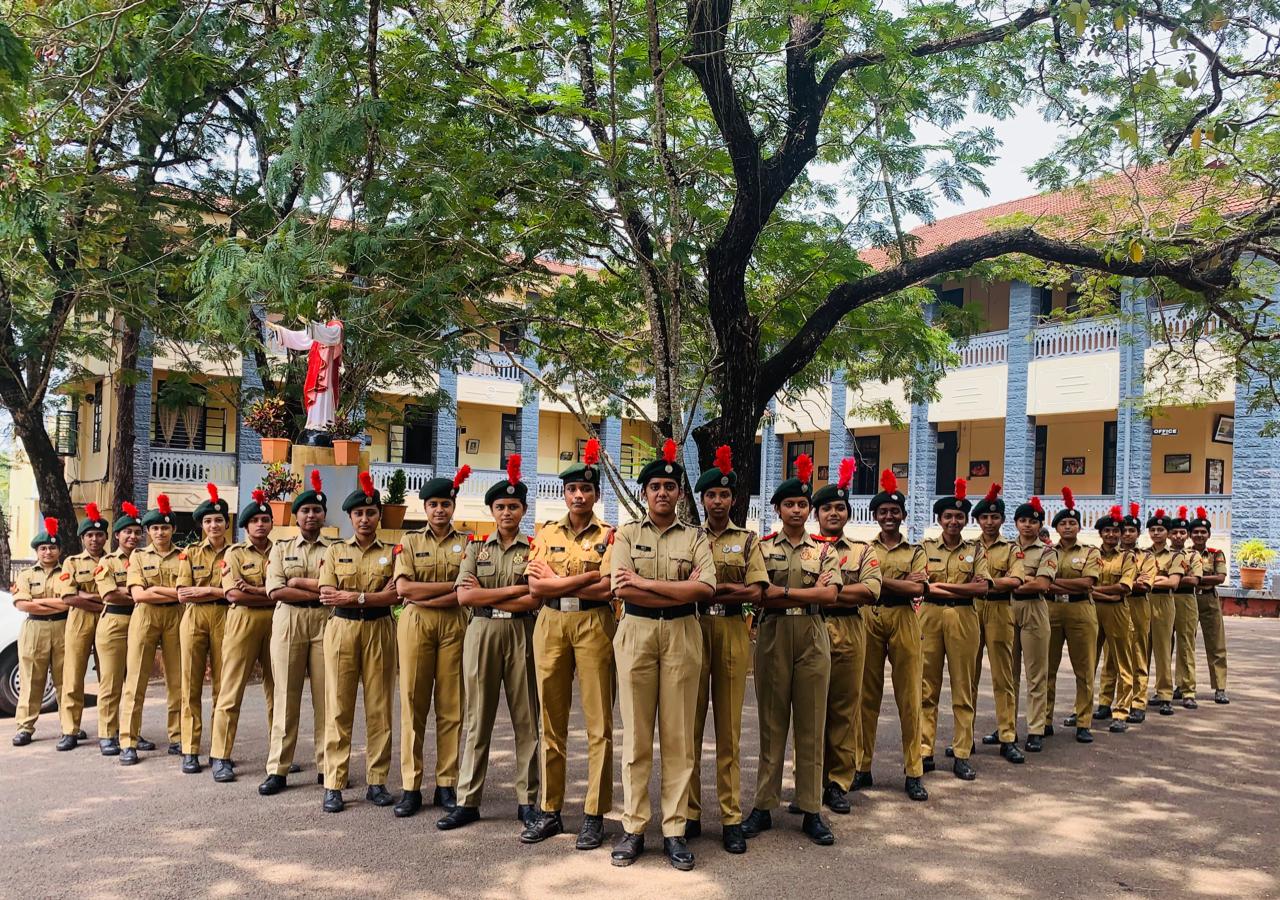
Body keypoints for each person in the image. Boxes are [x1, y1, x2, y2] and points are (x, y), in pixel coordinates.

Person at [609, 439, 714, 871]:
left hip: (682, 635)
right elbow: (622, 589)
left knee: (678, 738)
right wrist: (674, 588)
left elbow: (705, 589)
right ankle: (634, 828)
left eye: (670, 486)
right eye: (655, 486)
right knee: (635, 738)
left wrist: (645, 582)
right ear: (644, 492)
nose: (663, 493)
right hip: (636, 633)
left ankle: (674, 830)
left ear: (679, 493)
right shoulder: (627, 534)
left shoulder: (695, 537)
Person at [522, 439, 618, 850]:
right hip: (551, 623)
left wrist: (558, 581)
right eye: (573, 489)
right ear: (564, 494)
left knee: (599, 723)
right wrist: (583, 579)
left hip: (594, 622)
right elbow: (535, 587)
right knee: (551, 721)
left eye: (586, 489)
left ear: (596, 494)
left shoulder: (611, 536)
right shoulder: (546, 533)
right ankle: (550, 810)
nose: (579, 495)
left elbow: (608, 587)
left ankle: (595, 814)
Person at [437, 456, 541, 833]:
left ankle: (528, 801)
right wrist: (512, 591)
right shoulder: (475, 548)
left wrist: (489, 593)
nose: (507, 512)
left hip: (521, 632)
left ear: (523, 510)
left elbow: (535, 597)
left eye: (513, 506)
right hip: (480, 632)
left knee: (526, 720)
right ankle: (468, 801)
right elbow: (465, 597)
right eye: (500, 506)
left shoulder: (534, 549)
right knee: (477, 719)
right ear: (492, 511)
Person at [742, 453, 840, 846]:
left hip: (813, 634)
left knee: (812, 724)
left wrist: (782, 591)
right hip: (773, 635)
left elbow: (830, 595)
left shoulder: (824, 549)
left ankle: (811, 808)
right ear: (778, 510)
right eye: (789, 504)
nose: (796, 510)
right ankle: (764, 805)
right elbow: (759, 596)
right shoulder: (762, 548)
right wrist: (796, 593)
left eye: (802, 504)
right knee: (772, 723)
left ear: (809, 510)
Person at [392, 465, 473, 817]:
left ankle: (446, 783)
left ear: (453, 506)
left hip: (455, 624)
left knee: (451, 704)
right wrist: (449, 590)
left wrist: (428, 593)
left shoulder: (467, 543)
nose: (440, 510)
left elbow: (468, 589)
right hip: (416, 624)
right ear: (424, 507)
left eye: (445, 504)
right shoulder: (409, 541)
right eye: (433, 504)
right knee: (413, 702)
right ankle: (411, 786)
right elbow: (403, 588)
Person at [319, 472, 399, 813]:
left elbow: (395, 595)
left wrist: (354, 596)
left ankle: (377, 781)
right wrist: (371, 596)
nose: (365, 519)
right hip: (342, 630)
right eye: (358, 514)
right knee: (339, 707)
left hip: (380, 629)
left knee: (379, 707)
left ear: (379, 515)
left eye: (370, 513)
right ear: (350, 518)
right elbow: (327, 594)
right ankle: (334, 783)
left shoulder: (393, 553)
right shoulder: (335, 551)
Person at [809, 458, 881, 814]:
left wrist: (829, 591)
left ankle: (838, 782)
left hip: (850, 630)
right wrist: (834, 593)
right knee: (809, 709)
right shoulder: (806, 549)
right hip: (811, 627)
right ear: (817, 514)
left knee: (844, 707)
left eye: (840, 508)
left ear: (848, 513)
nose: (833, 513)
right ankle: (810, 783)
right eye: (827, 508)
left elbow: (870, 590)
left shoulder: (862, 550)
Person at [855, 469, 928, 801]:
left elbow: (917, 589)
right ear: (875, 515)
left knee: (909, 697)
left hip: (903, 617)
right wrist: (899, 582)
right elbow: (862, 583)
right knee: (865, 696)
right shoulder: (864, 549)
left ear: (903, 516)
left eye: (894, 511)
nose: (889, 516)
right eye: (883, 511)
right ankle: (862, 766)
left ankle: (914, 771)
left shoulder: (915, 550)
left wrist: (877, 581)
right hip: (869, 617)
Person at [260, 470, 332, 795]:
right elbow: (275, 590)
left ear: (324, 515)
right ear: (296, 516)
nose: (311, 515)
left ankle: (328, 766)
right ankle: (278, 768)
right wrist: (318, 588)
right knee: (285, 696)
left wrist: (299, 582)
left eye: (317, 510)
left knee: (326, 698)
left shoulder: (335, 550)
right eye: (305, 510)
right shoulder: (280, 549)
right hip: (289, 621)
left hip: (325, 622)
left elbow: (336, 587)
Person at [920, 480, 990, 780]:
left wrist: (940, 587)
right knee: (926, 688)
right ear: (939, 519)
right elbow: (921, 586)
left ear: (965, 520)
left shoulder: (976, 550)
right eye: (948, 516)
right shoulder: (924, 548)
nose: (953, 521)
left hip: (964, 619)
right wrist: (961, 587)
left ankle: (962, 752)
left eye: (959, 516)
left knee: (963, 687)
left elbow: (982, 587)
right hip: (930, 618)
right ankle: (924, 750)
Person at [209, 491, 277, 782]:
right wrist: (271, 593)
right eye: (255, 520)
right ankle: (220, 755)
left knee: (278, 691)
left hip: (276, 622)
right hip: (243, 621)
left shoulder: (280, 552)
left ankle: (278, 757)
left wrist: (256, 591)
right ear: (246, 526)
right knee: (231, 689)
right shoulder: (234, 554)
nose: (260, 524)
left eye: (265, 519)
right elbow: (233, 594)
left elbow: (286, 590)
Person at [121, 495, 190, 764]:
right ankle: (128, 740)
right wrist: (170, 592)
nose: (160, 532)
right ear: (148, 532)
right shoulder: (138, 557)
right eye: (155, 528)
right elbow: (138, 595)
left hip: (176, 617)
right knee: (136, 679)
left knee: (178, 679)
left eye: (165, 527)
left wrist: (156, 589)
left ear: (173, 529)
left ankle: (178, 736)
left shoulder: (184, 556)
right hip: (145, 617)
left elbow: (185, 593)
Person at [176, 482, 232, 775]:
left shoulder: (235, 553)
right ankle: (190, 749)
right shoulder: (190, 553)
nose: (214, 525)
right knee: (190, 684)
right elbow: (183, 593)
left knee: (224, 686)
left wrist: (209, 590)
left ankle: (220, 752)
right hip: (194, 619)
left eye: (219, 520)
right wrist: (219, 591)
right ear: (202, 525)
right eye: (208, 521)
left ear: (226, 523)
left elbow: (234, 593)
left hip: (226, 618)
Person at [970, 485, 1027, 764]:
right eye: (984, 518)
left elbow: (1016, 579)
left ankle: (1007, 737)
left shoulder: (1012, 549)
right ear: (978, 521)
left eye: (994, 517)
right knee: (967, 675)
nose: (989, 522)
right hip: (971, 610)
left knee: (1003, 677)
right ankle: (964, 737)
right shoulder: (969, 548)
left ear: (1002, 520)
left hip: (1000, 609)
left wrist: (989, 583)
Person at [1044, 488, 1101, 743]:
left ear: (1079, 526)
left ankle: (1083, 722)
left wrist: (1053, 584)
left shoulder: (1090, 552)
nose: (1068, 527)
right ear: (1056, 528)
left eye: (1072, 523)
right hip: (1051, 610)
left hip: (1081, 611)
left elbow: (1087, 583)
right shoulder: (1047, 552)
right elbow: (1041, 582)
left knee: (1084, 668)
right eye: (1063, 523)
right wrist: (1061, 585)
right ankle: (1044, 720)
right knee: (1047, 668)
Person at [92, 502, 146, 755]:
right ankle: (107, 733)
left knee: (135, 682)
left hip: (141, 621)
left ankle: (131, 731)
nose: (133, 536)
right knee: (111, 682)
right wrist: (141, 592)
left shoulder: (145, 559)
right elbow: (109, 594)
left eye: (137, 532)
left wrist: (135, 592)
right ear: (117, 536)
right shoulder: (108, 562)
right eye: (128, 532)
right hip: (115, 623)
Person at [55, 504, 111, 750]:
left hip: (110, 621)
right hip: (80, 621)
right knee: (73, 675)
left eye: (99, 535)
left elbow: (123, 593)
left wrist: (85, 594)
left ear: (106, 537)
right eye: (89, 535)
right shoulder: (72, 563)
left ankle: (110, 728)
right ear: (82, 538)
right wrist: (101, 601)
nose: (95, 539)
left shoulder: (114, 561)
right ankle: (70, 729)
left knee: (109, 676)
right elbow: (68, 597)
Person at [10, 518, 68, 746]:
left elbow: (69, 603)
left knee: (66, 680)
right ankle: (25, 727)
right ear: (37, 551)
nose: (48, 552)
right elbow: (22, 604)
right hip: (35, 629)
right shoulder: (26, 575)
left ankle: (69, 726)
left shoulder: (67, 573)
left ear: (59, 550)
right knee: (32, 680)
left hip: (63, 628)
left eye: (52, 547)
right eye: (43, 548)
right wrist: (56, 604)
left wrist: (37, 602)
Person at [1007, 496, 1056, 753]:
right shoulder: (1006, 548)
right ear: (1016, 523)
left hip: (1034, 609)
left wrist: (1015, 580)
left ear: (1040, 525)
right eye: (1023, 520)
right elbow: (994, 576)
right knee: (1008, 674)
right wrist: (1027, 578)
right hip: (1007, 609)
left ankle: (1036, 728)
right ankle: (1007, 728)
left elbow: (1042, 584)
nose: (1027, 525)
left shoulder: (1047, 551)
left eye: (1033, 521)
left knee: (1036, 674)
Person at [1090, 506, 1136, 733]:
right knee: (1088, 661)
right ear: (1100, 533)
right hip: (1091, 611)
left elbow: (1124, 587)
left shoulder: (1128, 557)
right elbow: (1085, 583)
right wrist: (1105, 593)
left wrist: (1095, 591)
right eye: (1107, 530)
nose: (1111, 534)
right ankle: (1086, 708)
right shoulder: (1091, 555)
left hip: (1117, 611)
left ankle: (1121, 711)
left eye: (1115, 531)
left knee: (1122, 662)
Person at [1114, 503, 1155, 723]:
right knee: (1112, 657)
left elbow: (1145, 584)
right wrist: (1131, 580)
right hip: (1114, 606)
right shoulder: (1109, 555)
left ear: (1138, 533)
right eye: (1124, 530)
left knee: (1139, 654)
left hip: (1138, 606)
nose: (1127, 534)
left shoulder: (1146, 557)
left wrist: (1123, 582)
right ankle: (1106, 701)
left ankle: (1138, 702)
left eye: (1132, 530)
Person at [1144, 508, 1186, 717]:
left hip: (1163, 603)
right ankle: (1138, 695)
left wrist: (1151, 580)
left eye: (1160, 530)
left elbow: (1173, 582)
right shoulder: (1142, 554)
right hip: (1143, 602)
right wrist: (1159, 578)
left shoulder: (1176, 556)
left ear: (1168, 533)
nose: (1156, 533)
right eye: (1153, 529)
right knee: (1140, 652)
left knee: (1163, 651)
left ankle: (1165, 695)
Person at [1188, 507, 1229, 705]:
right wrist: (1202, 578)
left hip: (1209, 600)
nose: (1199, 535)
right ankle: (1183, 685)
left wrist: (1196, 578)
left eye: (1203, 532)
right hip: (1188, 599)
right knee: (1186, 644)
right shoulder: (1184, 555)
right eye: (1195, 532)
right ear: (1190, 535)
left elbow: (1220, 577)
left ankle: (1220, 688)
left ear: (1209, 535)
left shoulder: (1215, 554)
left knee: (1216, 644)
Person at [1169, 506, 1203, 709]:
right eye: (1174, 532)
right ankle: (1164, 689)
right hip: (1164, 600)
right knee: (1163, 647)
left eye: (1182, 532)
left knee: (1186, 645)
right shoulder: (1161, 554)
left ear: (1187, 535)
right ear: (1168, 534)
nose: (1178, 536)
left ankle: (1188, 690)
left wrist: (1170, 579)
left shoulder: (1193, 555)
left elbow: (1194, 580)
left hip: (1186, 600)